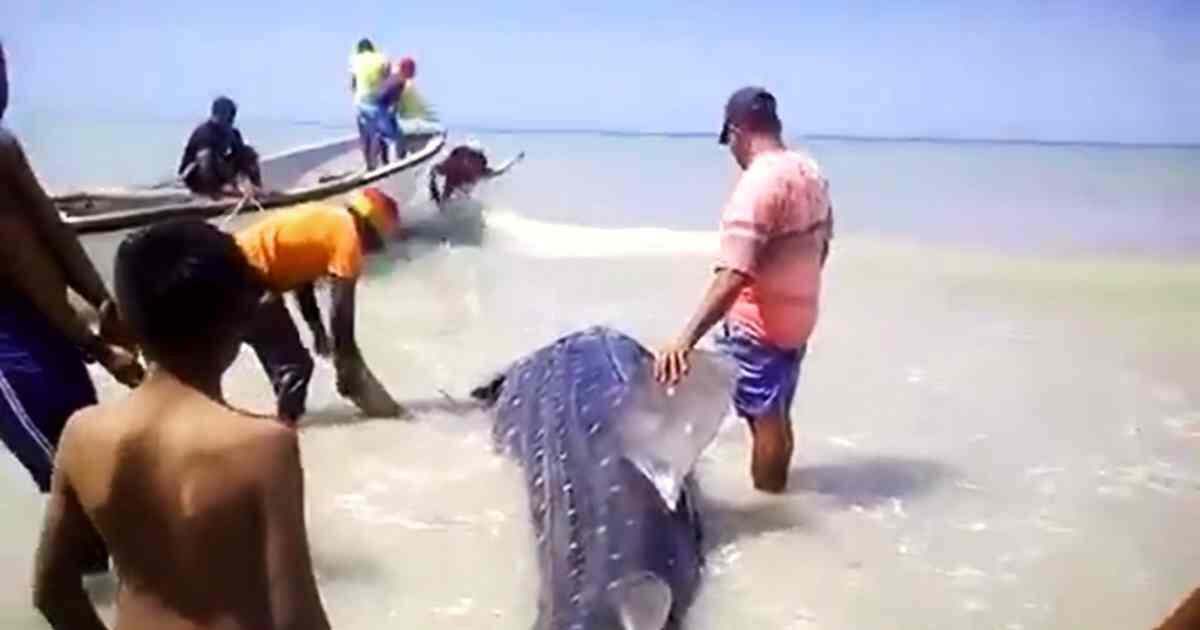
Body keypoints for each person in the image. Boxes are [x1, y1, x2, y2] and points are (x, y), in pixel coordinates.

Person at [32, 219, 331, 630]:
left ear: (117, 322)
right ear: (242, 317)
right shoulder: (264, 446)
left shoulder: (82, 434)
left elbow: (52, 592)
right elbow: (296, 619)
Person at [654, 87, 833, 493]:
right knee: (775, 411)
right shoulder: (810, 172)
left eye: (728, 140)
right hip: (799, 320)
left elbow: (734, 273)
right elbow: (823, 242)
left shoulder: (757, 187)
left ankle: (769, 501)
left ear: (737, 131)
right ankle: (777, 490)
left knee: (719, 399)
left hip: (760, 326)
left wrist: (684, 339)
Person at [0, 39, 143, 511]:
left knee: (92, 461)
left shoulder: (4, 144)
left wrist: (108, 305)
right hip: (8, 342)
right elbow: (20, 256)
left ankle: (108, 580)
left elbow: (51, 230)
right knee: (73, 480)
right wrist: (99, 348)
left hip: (37, 316)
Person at [235, 187, 404, 423]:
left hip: (230, 267)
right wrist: (347, 364)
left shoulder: (328, 220)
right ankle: (284, 435)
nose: (374, 251)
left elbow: (300, 279)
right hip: (245, 279)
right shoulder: (349, 236)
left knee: (280, 364)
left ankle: (283, 423)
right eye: (378, 242)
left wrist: (315, 328)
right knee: (296, 367)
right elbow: (341, 313)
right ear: (371, 228)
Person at [178, 96, 263, 198]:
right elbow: (205, 163)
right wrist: (215, 189)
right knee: (206, 155)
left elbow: (241, 156)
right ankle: (213, 191)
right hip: (196, 177)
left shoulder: (233, 133)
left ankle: (256, 188)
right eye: (229, 115)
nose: (231, 119)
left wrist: (247, 180)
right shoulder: (205, 132)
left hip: (219, 173)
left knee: (248, 152)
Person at [349, 38, 400, 170]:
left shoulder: (354, 59)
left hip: (360, 101)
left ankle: (368, 165)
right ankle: (381, 162)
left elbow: (353, 84)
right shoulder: (383, 58)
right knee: (380, 133)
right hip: (377, 100)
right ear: (372, 48)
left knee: (365, 133)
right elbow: (389, 81)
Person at [428, 142, 525, 205]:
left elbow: (499, 171)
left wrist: (514, 160)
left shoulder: (478, 169)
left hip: (455, 200)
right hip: (450, 199)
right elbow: (499, 171)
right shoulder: (451, 164)